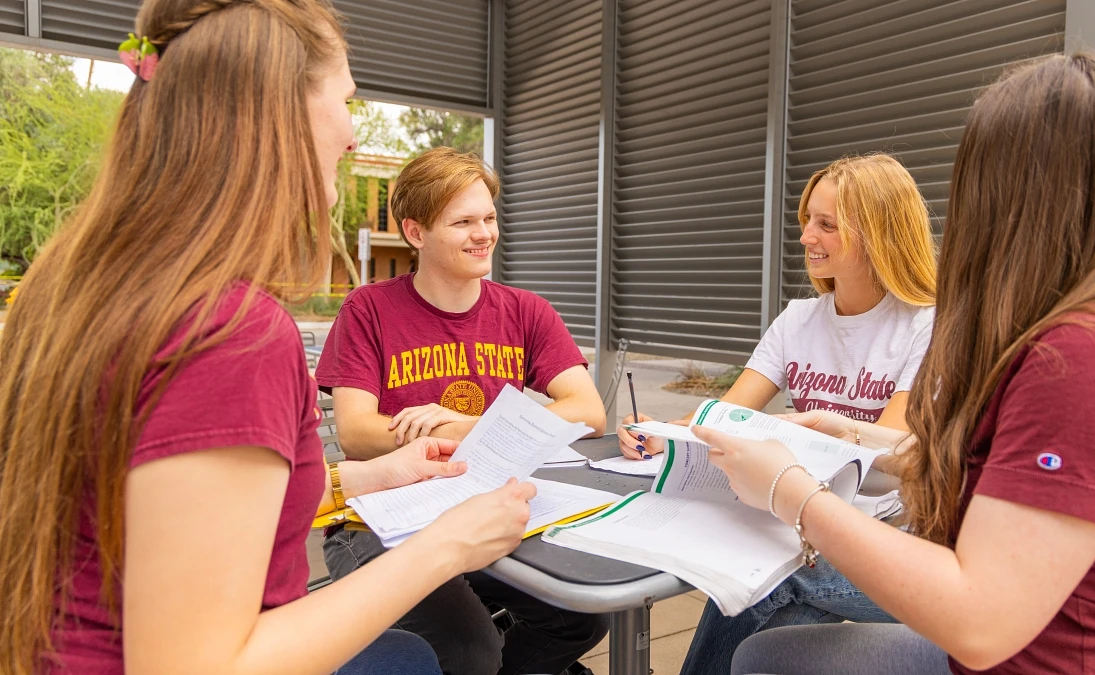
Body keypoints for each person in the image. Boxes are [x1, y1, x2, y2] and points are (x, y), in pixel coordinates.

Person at [0, 1, 538, 674]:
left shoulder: (76, 281)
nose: (349, 134)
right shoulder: (228, 333)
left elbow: (187, 505)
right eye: (345, 99)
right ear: (277, 117)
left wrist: (365, 476)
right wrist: (447, 546)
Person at [698, 53, 1095, 674]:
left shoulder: (1090, 358)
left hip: (1052, 657)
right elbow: (1012, 476)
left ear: (1013, 195)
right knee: (768, 656)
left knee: (767, 638)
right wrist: (852, 432)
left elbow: (979, 620)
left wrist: (788, 491)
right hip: (1035, 635)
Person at [618, 154, 938, 675]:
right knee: (772, 617)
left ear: (880, 234)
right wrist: (660, 432)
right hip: (799, 519)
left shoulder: (924, 324)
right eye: (807, 219)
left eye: (826, 224)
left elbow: (889, 448)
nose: (807, 236)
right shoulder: (798, 319)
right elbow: (727, 414)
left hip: (895, 543)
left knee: (767, 579)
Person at [315, 148, 608, 675]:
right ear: (415, 232)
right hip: (378, 525)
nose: (484, 233)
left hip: (484, 511)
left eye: (489, 218)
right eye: (464, 222)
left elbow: (587, 411)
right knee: (472, 650)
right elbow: (358, 434)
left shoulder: (525, 311)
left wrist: (464, 425)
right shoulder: (369, 310)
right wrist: (499, 430)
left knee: (582, 618)